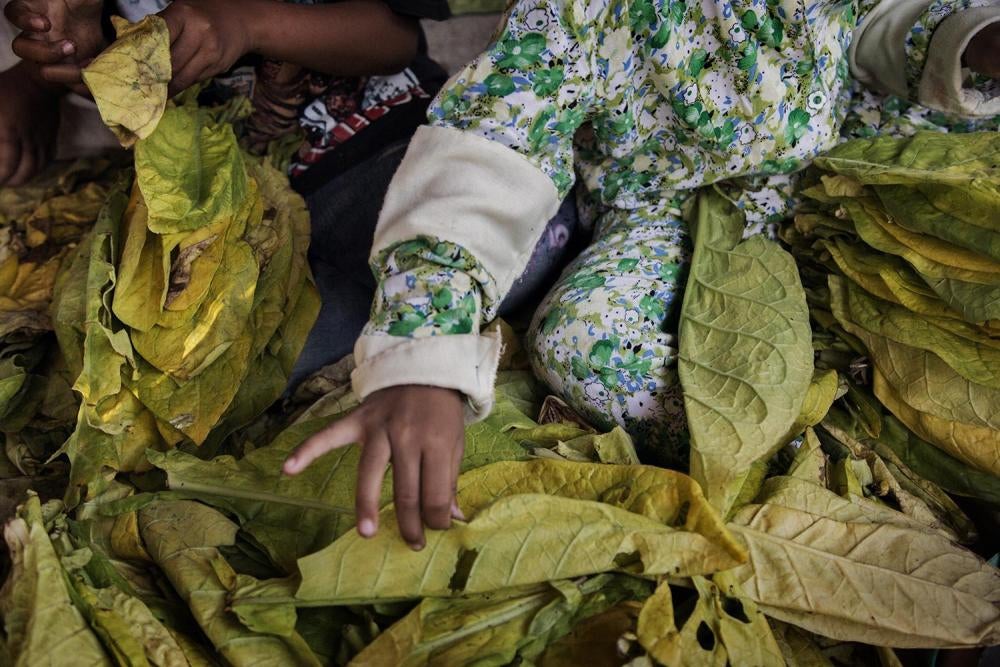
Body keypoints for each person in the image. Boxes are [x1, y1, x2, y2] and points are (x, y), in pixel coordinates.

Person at [281, 0, 1000, 550]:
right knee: (581, 344)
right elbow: (495, 135)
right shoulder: (577, 12)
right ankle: (836, 463)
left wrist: (970, 38)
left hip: (837, 174)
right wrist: (424, 353)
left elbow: (880, 26)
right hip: (663, 207)